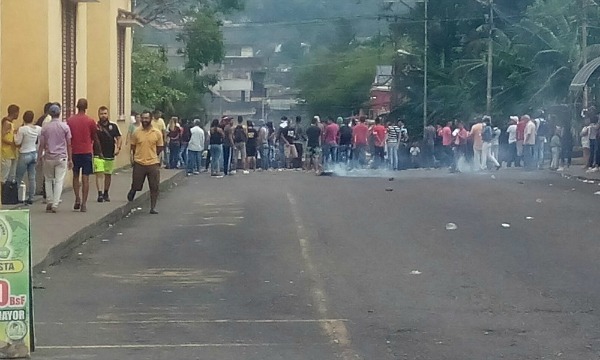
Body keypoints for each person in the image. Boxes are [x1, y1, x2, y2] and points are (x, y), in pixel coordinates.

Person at [67, 98, 100, 213]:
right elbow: (94, 136)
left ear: (77, 106)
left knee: (76, 176)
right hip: (86, 151)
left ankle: (77, 198)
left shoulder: (70, 120)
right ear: (86, 107)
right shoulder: (90, 121)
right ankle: (84, 204)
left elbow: (69, 137)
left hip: (75, 151)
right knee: (85, 177)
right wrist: (98, 151)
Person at [127, 110, 164, 214]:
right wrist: (135, 156)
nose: (144, 120)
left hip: (153, 163)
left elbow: (160, 147)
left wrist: (153, 155)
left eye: (146, 118)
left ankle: (153, 207)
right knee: (137, 184)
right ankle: (133, 190)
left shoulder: (157, 133)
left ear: (151, 119)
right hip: (139, 162)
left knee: (154, 186)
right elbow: (133, 146)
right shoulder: (136, 132)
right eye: (143, 118)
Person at [38, 104, 72, 213]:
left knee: (48, 179)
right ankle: (55, 204)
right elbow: (69, 144)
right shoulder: (65, 127)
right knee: (59, 181)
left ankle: (49, 201)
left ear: (50, 114)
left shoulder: (45, 128)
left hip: (48, 157)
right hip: (61, 157)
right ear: (59, 113)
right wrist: (70, 159)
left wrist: (39, 156)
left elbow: (42, 144)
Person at [94, 106, 122, 203]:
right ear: (99, 115)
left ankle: (106, 192)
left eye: (105, 113)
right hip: (98, 154)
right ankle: (100, 194)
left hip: (110, 154)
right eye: (101, 114)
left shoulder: (113, 126)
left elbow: (119, 137)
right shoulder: (95, 126)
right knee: (99, 174)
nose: (103, 116)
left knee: (108, 174)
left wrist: (118, 148)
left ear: (107, 114)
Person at [15, 111, 41, 204]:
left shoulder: (22, 129)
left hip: (24, 153)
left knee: (19, 176)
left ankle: (15, 197)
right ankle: (31, 198)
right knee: (32, 177)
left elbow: (17, 142)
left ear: (23, 118)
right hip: (34, 153)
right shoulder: (38, 129)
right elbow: (40, 140)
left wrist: (15, 134)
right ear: (33, 118)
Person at [1, 104, 19, 184]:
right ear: (14, 113)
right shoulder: (7, 123)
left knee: (11, 175)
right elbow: (3, 137)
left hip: (12, 152)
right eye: (17, 112)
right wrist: (12, 143)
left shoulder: (11, 124)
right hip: (6, 152)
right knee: (5, 174)